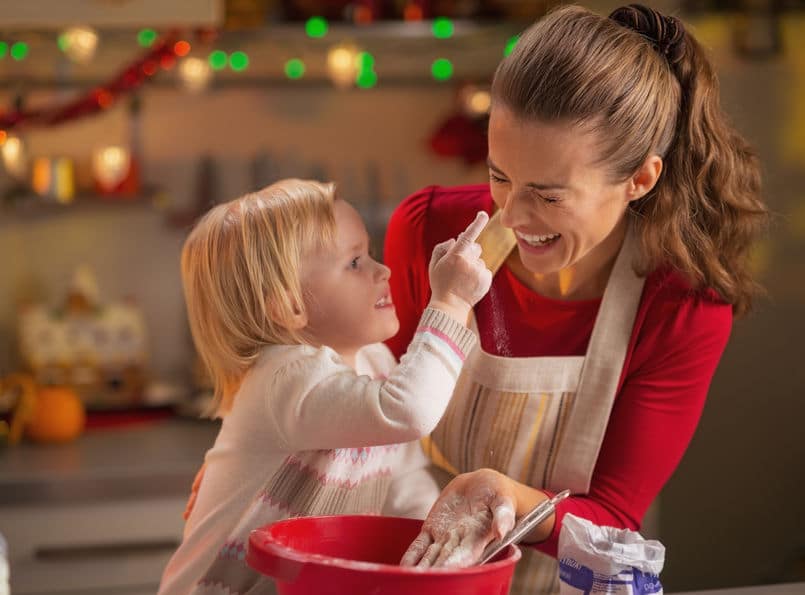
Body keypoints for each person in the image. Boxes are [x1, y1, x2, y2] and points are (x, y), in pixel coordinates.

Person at [385, 4, 767, 592]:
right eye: (499, 175)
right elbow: (364, 421)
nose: (511, 215)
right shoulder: (427, 231)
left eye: (549, 195)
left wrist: (506, 498)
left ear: (640, 179)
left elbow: (614, 519)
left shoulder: (681, 306)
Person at [158, 179, 492, 594]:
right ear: (287, 305)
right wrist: (451, 304)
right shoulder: (285, 378)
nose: (381, 270)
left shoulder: (377, 363)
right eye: (354, 263)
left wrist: (436, 551)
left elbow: (403, 480)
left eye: (369, 253)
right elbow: (410, 411)